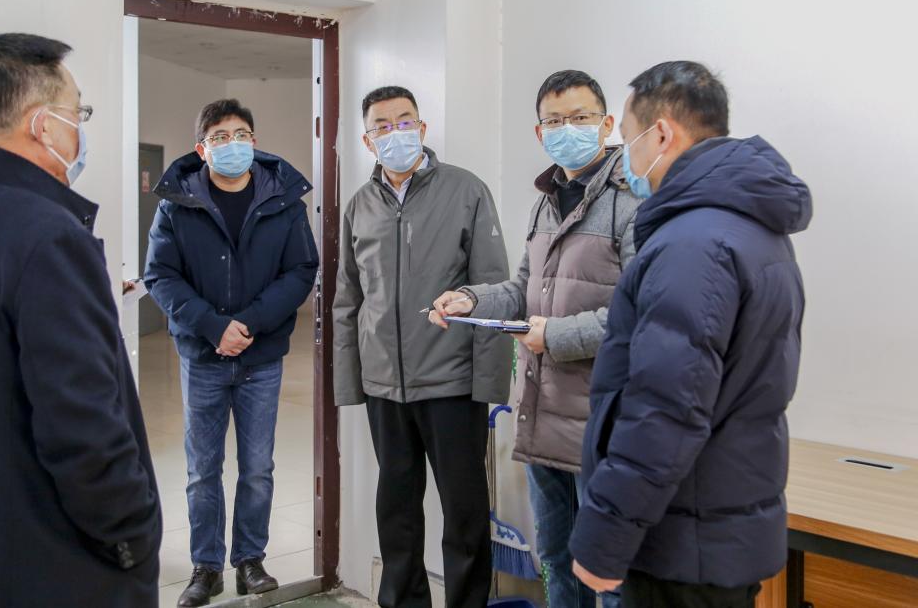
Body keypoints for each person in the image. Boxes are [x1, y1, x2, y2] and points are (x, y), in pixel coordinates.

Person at [0, 33, 162, 607]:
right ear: (43, 126)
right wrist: (132, 541)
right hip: (50, 563)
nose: (80, 129)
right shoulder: (48, 237)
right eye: (78, 113)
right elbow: (83, 425)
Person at [569, 61, 812, 607]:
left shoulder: (693, 246)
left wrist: (605, 537)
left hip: (685, 540)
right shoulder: (748, 228)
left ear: (661, 134)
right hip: (716, 528)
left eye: (628, 138)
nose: (626, 157)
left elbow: (665, 410)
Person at [430, 70, 639, 608]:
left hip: (603, 421)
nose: (567, 129)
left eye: (580, 117)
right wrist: (472, 299)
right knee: (556, 559)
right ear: (539, 132)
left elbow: (642, 315)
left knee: (609, 573)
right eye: (554, 121)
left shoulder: (633, 199)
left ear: (607, 124)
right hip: (542, 411)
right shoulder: (546, 201)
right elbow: (524, 290)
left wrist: (558, 335)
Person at [333, 86, 512, 608]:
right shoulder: (359, 206)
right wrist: (351, 382)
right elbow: (348, 298)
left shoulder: (466, 190)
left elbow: (493, 288)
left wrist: (489, 382)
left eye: (404, 121)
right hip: (385, 385)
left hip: (451, 381)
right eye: (382, 126)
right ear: (368, 139)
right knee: (396, 509)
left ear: (422, 128)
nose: (396, 133)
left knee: (464, 510)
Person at [144, 98, 318, 607]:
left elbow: (301, 270)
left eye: (240, 134)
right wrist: (214, 326)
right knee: (203, 469)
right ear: (202, 149)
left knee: (258, 466)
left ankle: (249, 561)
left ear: (254, 142)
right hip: (203, 356)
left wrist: (250, 323)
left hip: (261, 357)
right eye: (219, 137)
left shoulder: (284, 200)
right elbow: (160, 275)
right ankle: (206, 567)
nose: (232, 144)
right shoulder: (177, 204)